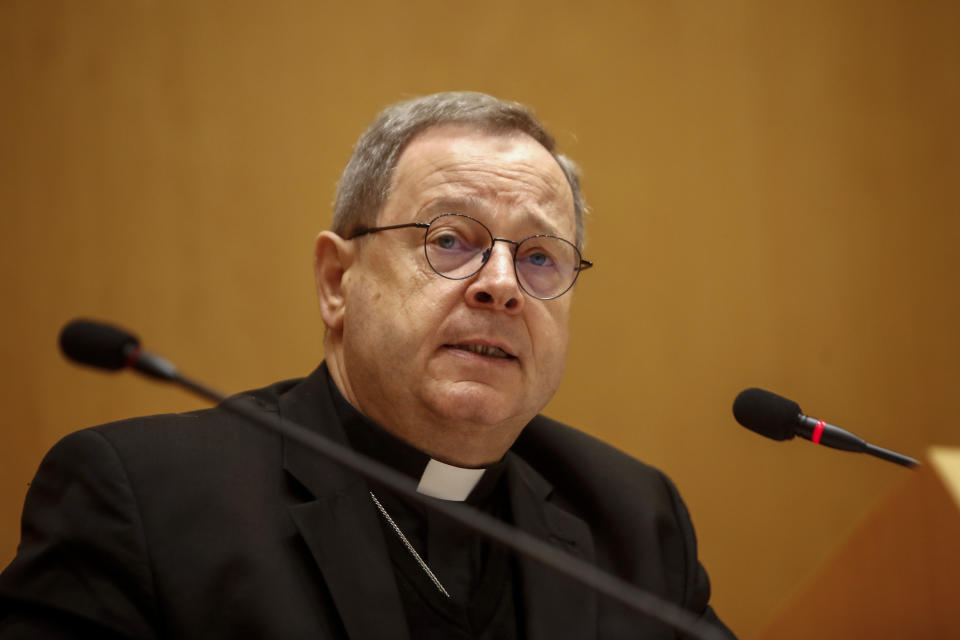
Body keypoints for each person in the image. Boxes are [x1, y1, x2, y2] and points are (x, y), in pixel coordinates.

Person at [0, 92, 735, 639]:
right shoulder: (146, 505)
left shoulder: (634, 520)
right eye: (450, 240)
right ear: (335, 281)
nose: (502, 284)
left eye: (541, 258)